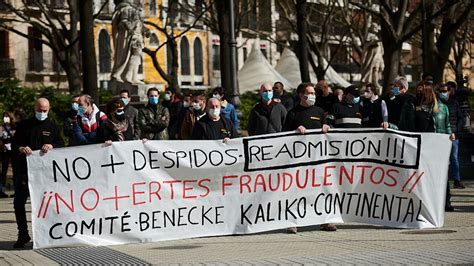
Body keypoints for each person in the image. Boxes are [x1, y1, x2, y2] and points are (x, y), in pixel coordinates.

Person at [12, 98, 64, 248]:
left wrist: (52, 145)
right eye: (40, 110)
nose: (42, 113)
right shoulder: (24, 126)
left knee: (46, 204)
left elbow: (61, 144)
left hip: (45, 174)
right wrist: (21, 148)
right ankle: (23, 233)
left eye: (45, 111)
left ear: (49, 109)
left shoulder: (53, 127)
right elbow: (14, 144)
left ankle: (47, 234)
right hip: (25, 172)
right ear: (35, 108)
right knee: (18, 203)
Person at [283, 82, 335, 233]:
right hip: (299, 162)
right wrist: (295, 131)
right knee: (296, 191)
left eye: (313, 93)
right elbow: (283, 135)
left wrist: (327, 127)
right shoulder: (292, 113)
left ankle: (326, 221)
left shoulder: (319, 111)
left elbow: (326, 127)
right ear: (301, 95)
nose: (312, 96)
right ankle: (293, 222)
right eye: (309, 93)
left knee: (322, 190)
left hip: (318, 160)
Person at [111, 0, 149, 84]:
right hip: (132, 37)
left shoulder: (133, 10)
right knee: (134, 54)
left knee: (137, 56)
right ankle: (126, 75)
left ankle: (132, 76)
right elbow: (124, 21)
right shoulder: (127, 9)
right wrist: (130, 29)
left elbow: (139, 23)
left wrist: (146, 30)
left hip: (137, 36)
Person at [441, 82, 465, 189]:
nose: (443, 93)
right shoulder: (437, 103)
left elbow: (461, 118)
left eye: (445, 91)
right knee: (441, 159)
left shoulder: (454, 103)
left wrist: (456, 132)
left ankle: (457, 180)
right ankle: (441, 179)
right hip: (440, 135)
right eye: (441, 91)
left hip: (453, 135)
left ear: (449, 92)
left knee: (454, 158)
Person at [0, 111, 16, 198]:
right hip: (4, 151)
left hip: (13, 150)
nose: (5, 118)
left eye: (7, 116)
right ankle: (2, 190)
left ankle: (16, 190)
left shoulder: (14, 127)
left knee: (15, 169)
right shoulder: (1, 128)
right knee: (4, 170)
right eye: (4, 116)